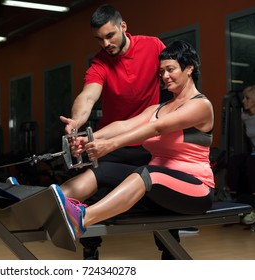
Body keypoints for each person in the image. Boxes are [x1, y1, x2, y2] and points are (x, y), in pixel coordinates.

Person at [52, 41, 215, 253]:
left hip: (196, 190)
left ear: (189, 68)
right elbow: (124, 125)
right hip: (159, 188)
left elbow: (157, 128)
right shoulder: (159, 108)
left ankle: (81, 219)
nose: (165, 76)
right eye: (161, 71)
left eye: (170, 69)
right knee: (103, 169)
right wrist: (86, 138)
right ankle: (51, 206)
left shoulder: (201, 105)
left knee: (146, 173)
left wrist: (109, 145)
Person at [60, 4, 166, 166]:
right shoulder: (100, 63)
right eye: (99, 39)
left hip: (147, 139)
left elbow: (175, 76)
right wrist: (76, 121)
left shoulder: (153, 46)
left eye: (110, 35)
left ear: (123, 26)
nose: (105, 44)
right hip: (110, 142)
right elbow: (88, 97)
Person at [226, 85, 255, 225]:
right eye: (244, 98)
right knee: (234, 161)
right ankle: (237, 201)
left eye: (247, 98)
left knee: (251, 162)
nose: (244, 101)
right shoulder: (244, 116)